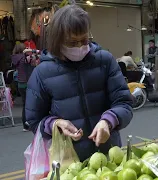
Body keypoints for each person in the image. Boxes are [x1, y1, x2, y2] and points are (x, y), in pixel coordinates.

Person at [25, 5, 133, 161]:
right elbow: (33, 120)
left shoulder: (105, 61)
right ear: (58, 40)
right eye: (72, 42)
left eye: (84, 40)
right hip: (68, 161)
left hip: (109, 156)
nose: (80, 47)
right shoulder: (42, 73)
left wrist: (108, 121)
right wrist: (55, 124)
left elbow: (124, 103)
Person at [11, 43, 29, 131]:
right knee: (30, 104)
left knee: (25, 104)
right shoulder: (24, 58)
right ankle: (29, 123)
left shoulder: (15, 58)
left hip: (20, 84)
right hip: (27, 82)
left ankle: (25, 125)